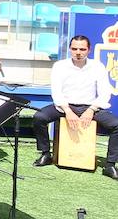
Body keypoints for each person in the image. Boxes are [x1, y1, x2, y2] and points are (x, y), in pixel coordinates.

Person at [31, 35, 118, 178]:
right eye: (74, 48)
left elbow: (105, 93)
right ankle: (46, 154)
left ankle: (110, 165)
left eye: (82, 49)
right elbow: (57, 92)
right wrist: (67, 111)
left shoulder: (97, 66)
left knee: (117, 125)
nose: (78, 52)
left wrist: (91, 110)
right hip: (64, 106)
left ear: (88, 50)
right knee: (39, 117)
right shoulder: (60, 66)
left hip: (90, 107)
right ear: (70, 49)